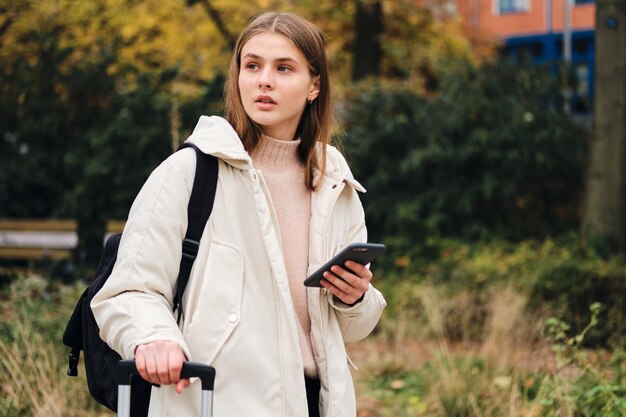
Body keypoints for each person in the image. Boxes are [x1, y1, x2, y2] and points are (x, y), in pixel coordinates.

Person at [91, 11, 386, 417]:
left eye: (284, 67)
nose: (264, 79)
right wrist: (155, 337)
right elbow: (127, 291)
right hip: (218, 399)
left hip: (319, 403)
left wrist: (356, 299)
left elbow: (351, 329)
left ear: (314, 85)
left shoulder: (336, 185)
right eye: (252, 65)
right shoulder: (189, 172)